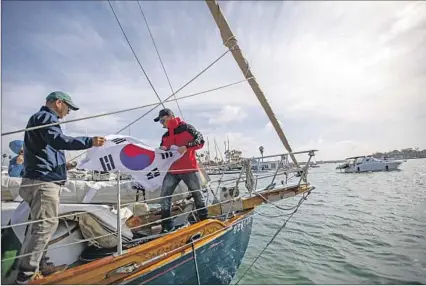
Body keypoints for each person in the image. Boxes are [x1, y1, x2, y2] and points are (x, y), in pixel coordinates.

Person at [15, 91, 105, 284]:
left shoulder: (39, 119)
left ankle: (39, 266)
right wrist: (89, 141)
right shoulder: (46, 117)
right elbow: (59, 141)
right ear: (58, 103)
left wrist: (64, 166)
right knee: (45, 226)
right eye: (68, 108)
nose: (68, 112)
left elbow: (44, 154)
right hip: (43, 183)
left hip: (37, 180)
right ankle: (26, 277)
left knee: (39, 226)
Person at [154, 108, 208, 232]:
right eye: (160, 122)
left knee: (197, 194)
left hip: (189, 168)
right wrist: (162, 149)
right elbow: (163, 152)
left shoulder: (187, 128)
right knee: (164, 197)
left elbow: (200, 140)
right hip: (172, 171)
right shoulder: (165, 136)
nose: (162, 124)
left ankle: (204, 219)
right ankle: (167, 225)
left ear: (170, 116)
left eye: (163, 120)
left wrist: (187, 147)